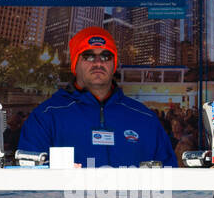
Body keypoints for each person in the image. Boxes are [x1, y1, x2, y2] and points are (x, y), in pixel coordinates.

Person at [16, 27, 178, 167]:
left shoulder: (145, 118)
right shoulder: (46, 116)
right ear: (75, 64)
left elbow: (169, 176)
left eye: (106, 56)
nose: (98, 62)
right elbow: (30, 177)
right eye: (88, 56)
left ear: (113, 65)